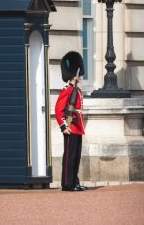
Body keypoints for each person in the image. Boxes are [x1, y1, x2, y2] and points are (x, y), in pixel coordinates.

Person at [55, 51, 87, 192]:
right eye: (79, 74)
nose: (80, 76)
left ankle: (74, 181)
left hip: (77, 127)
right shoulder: (68, 90)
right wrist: (63, 126)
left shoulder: (76, 90)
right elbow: (58, 109)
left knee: (76, 157)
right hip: (70, 126)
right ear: (75, 73)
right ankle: (67, 184)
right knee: (70, 157)